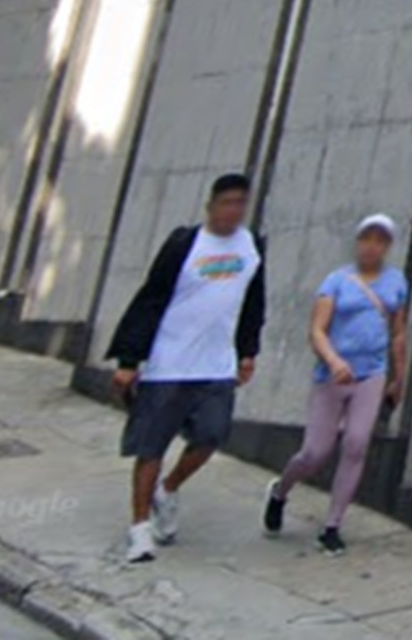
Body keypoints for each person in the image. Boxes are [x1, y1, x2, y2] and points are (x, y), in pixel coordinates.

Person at [104, 173, 265, 565]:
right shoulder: (184, 244)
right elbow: (150, 299)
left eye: (240, 203)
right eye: (226, 202)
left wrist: (247, 352)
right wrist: (129, 361)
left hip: (216, 365)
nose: (233, 210)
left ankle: (169, 490)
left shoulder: (252, 247)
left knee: (211, 435)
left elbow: (253, 303)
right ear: (210, 206)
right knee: (150, 447)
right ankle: (140, 529)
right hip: (169, 364)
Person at [262, 213, 410, 552]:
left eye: (380, 240)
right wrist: (333, 360)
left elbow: (399, 332)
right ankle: (280, 491)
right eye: (367, 238)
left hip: (372, 372)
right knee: (315, 452)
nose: (372, 246)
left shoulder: (396, 282)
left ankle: (332, 525)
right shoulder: (337, 281)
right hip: (333, 375)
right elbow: (317, 329)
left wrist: (399, 376)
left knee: (356, 444)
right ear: (358, 242)